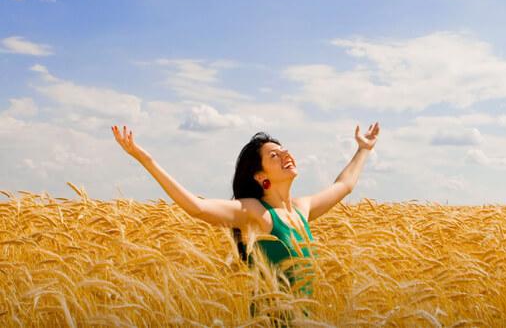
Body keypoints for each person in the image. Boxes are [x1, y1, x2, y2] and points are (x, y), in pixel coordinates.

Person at [111, 122, 380, 321]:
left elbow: (344, 185)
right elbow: (197, 207)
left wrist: (363, 149)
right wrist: (146, 159)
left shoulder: (301, 209)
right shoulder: (255, 212)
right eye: (274, 155)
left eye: (285, 150)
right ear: (259, 175)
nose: (286, 154)